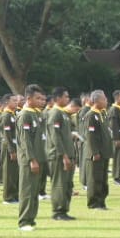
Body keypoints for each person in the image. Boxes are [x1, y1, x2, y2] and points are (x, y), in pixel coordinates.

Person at [15, 85, 48, 230]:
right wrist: (32, 159)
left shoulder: (36, 114)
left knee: (35, 191)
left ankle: (31, 219)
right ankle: (24, 222)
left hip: (39, 158)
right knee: (27, 190)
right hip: (30, 160)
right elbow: (25, 141)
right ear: (28, 99)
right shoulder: (25, 115)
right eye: (38, 98)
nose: (42, 101)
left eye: (42, 99)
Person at [43, 89, 76, 221]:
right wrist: (64, 156)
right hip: (58, 155)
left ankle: (64, 209)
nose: (68, 99)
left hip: (68, 154)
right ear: (58, 98)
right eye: (65, 97)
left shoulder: (63, 113)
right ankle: (57, 211)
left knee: (67, 184)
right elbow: (55, 137)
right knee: (59, 184)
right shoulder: (55, 113)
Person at [82, 91, 111, 210]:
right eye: (104, 99)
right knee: (95, 179)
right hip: (96, 153)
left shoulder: (101, 114)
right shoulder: (91, 115)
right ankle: (94, 203)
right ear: (97, 101)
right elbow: (90, 136)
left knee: (103, 179)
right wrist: (94, 152)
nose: (106, 101)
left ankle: (101, 202)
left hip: (103, 152)